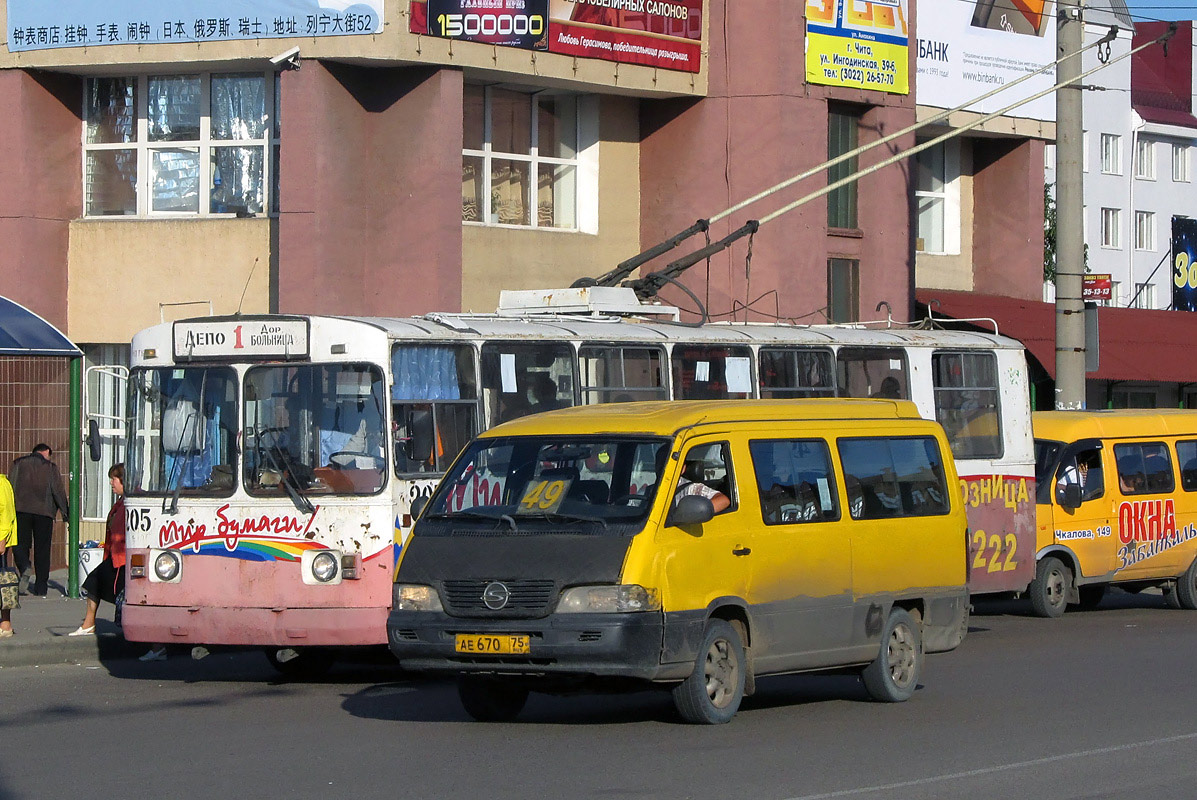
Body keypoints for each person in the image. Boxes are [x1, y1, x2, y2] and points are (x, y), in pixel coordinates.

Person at [70, 465, 131, 639]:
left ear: (123, 480)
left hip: (125, 559)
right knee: (93, 582)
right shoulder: (120, 503)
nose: (111, 483)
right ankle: (88, 624)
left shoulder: (131, 502)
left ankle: (156, 645)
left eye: (114, 479)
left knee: (133, 598)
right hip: (114, 556)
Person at [9, 444, 68, 597]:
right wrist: (65, 512)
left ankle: (24, 566)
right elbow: (58, 491)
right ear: (46, 452)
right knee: (42, 550)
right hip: (44, 513)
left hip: (21, 511)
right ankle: (41, 587)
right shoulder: (50, 467)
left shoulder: (18, 464)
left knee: (20, 544)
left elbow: (11, 486)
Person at [0, 469, 17, 637]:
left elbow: (7, 514)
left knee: (3, 584)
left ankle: (6, 624)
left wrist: (2, 539)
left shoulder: (2, 483)